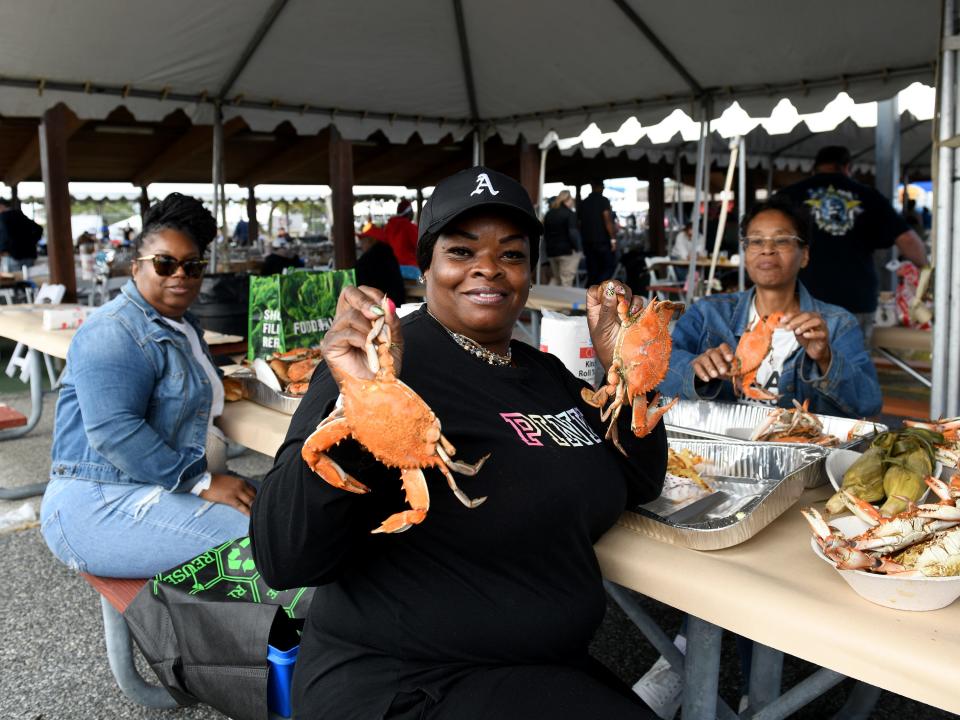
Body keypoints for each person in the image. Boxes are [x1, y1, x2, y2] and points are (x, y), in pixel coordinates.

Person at [249, 166, 666, 720]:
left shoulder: (547, 375)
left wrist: (627, 369)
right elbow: (282, 554)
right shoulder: (381, 368)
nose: (488, 268)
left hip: (535, 672)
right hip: (404, 684)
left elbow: (640, 481)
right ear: (426, 267)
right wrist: (359, 405)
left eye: (512, 255)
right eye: (462, 251)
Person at [40, 193, 255, 579]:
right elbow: (114, 431)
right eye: (164, 264)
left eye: (192, 266)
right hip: (96, 501)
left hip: (156, 484)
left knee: (284, 515)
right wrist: (199, 481)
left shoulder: (183, 326)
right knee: (266, 543)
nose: (180, 275)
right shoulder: (113, 329)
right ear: (136, 267)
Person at [659, 196, 882, 419]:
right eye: (756, 241)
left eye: (782, 240)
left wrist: (825, 359)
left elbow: (869, 403)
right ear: (745, 254)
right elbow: (659, 370)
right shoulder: (708, 313)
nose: (767, 249)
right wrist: (695, 370)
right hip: (712, 450)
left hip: (800, 449)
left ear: (804, 255)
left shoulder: (836, 324)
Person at [776, 145, 927, 344]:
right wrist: (926, 271)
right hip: (855, 298)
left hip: (801, 297)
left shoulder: (790, 195)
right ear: (847, 167)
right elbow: (907, 239)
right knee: (849, 367)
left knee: (800, 368)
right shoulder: (868, 196)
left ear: (816, 167)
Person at [579, 180, 618, 285]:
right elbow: (607, 220)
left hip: (587, 240)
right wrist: (613, 239)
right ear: (599, 187)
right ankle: (599, 286)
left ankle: (593, 289)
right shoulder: (603, 201)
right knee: (609, 266)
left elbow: (579, 222)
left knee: (592, 269)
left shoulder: (584, 202)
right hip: (602, 240)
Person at [360, 198, 419, 267]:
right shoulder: (410, 227)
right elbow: (419, 247)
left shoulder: (388, 226)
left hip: (391, 266)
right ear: (409, 212)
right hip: (410, 267)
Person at [543, 189, 583, 286]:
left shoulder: (549, 213)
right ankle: (564, 301)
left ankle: (549, 299)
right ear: (567, 200)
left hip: (552, 251)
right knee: (566, 280)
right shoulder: (570, 214)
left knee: (556, 279)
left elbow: (545, 233)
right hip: (567, 251)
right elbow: (573, 233)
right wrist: (579, 248)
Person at [355, 232, 405, 307]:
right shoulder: (388, 254)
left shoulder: (366, 260)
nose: (361, 245)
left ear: (371, 240)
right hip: (396, 302)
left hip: (377, 304)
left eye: (363, 240)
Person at [0, 197, 43, 273]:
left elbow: (5, 237)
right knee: (28, 280)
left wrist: (3, 250)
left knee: (15, 282)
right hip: (29, 254)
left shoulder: (3, 217)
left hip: (12, 256)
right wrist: (32, 242)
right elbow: (38, 228)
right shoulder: (19, 215)